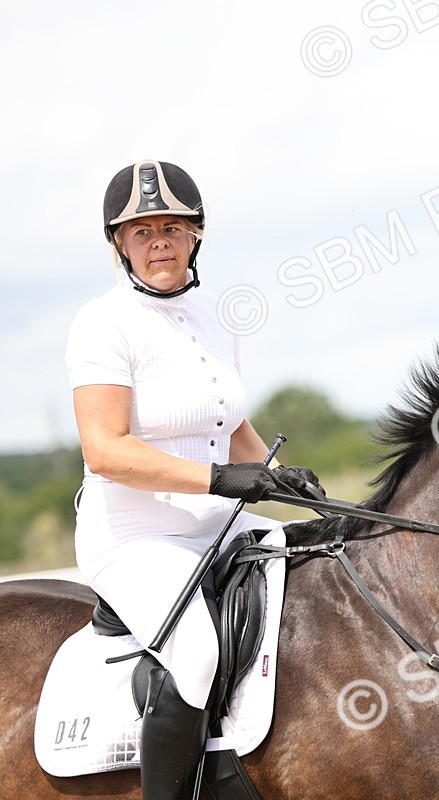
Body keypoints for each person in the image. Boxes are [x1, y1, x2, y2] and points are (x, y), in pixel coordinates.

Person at [65, 159, 320, 799]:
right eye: (143, 232)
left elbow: (227, 424)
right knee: (198, 652)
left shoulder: (214, 315)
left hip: (218, 523)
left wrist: (278, 478)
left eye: (172, 229)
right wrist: (220, 479)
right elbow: (105, 450)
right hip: (134, 537)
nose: (160, 243)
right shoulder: (102, 322)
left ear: (194, 236)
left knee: (326, 573)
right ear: (120, 244)